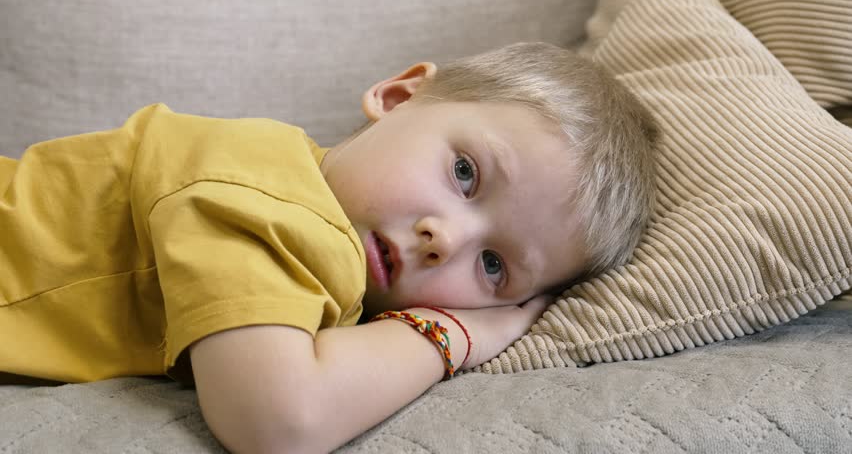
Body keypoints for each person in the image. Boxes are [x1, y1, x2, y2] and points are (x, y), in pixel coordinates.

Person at [0, 42, 656, 452]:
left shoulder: (326, 262)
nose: (445, 239)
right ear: (398, 97)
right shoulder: (263, 193)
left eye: (493, 265)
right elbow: (278, 421)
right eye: (465, 173)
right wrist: (452, 334)